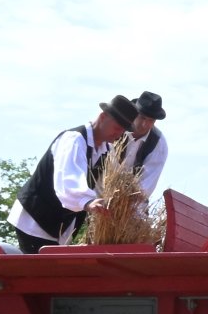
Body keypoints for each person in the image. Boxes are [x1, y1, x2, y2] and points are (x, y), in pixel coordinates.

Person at [8, 96, 136, 252]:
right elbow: (68, 179)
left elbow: (110, 184)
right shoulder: (74, 139)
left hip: (57, 226)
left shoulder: (107, 151)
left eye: (123, 130)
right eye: (117, 127)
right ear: (103, 117)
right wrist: (87, 201)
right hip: (35, 220)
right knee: (42, 267)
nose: (119, 134)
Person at [127, 90, 170, 199]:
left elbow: (145, 187)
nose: (144, 124)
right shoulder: (118, 128)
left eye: (150, 120)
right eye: (142, 117)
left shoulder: (159, 144)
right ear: (134, 114)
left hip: (131, 204)